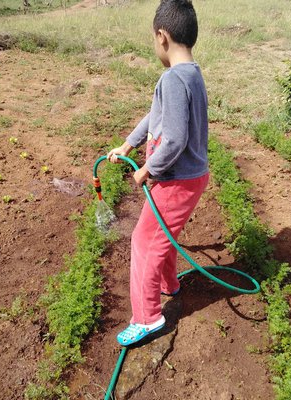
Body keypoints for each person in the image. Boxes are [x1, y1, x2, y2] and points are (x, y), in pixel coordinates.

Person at [107, 0, 209, 346]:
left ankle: (148, 317)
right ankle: (170, 284)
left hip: (176, 180)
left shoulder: (172, 78)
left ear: (162, 37)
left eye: (154, 40)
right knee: (161, 236)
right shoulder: (191, 73)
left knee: (145, 241)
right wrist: (129, 144)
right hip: (189, 177)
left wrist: (149, 169)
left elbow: (175, 138)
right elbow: (156, 116)